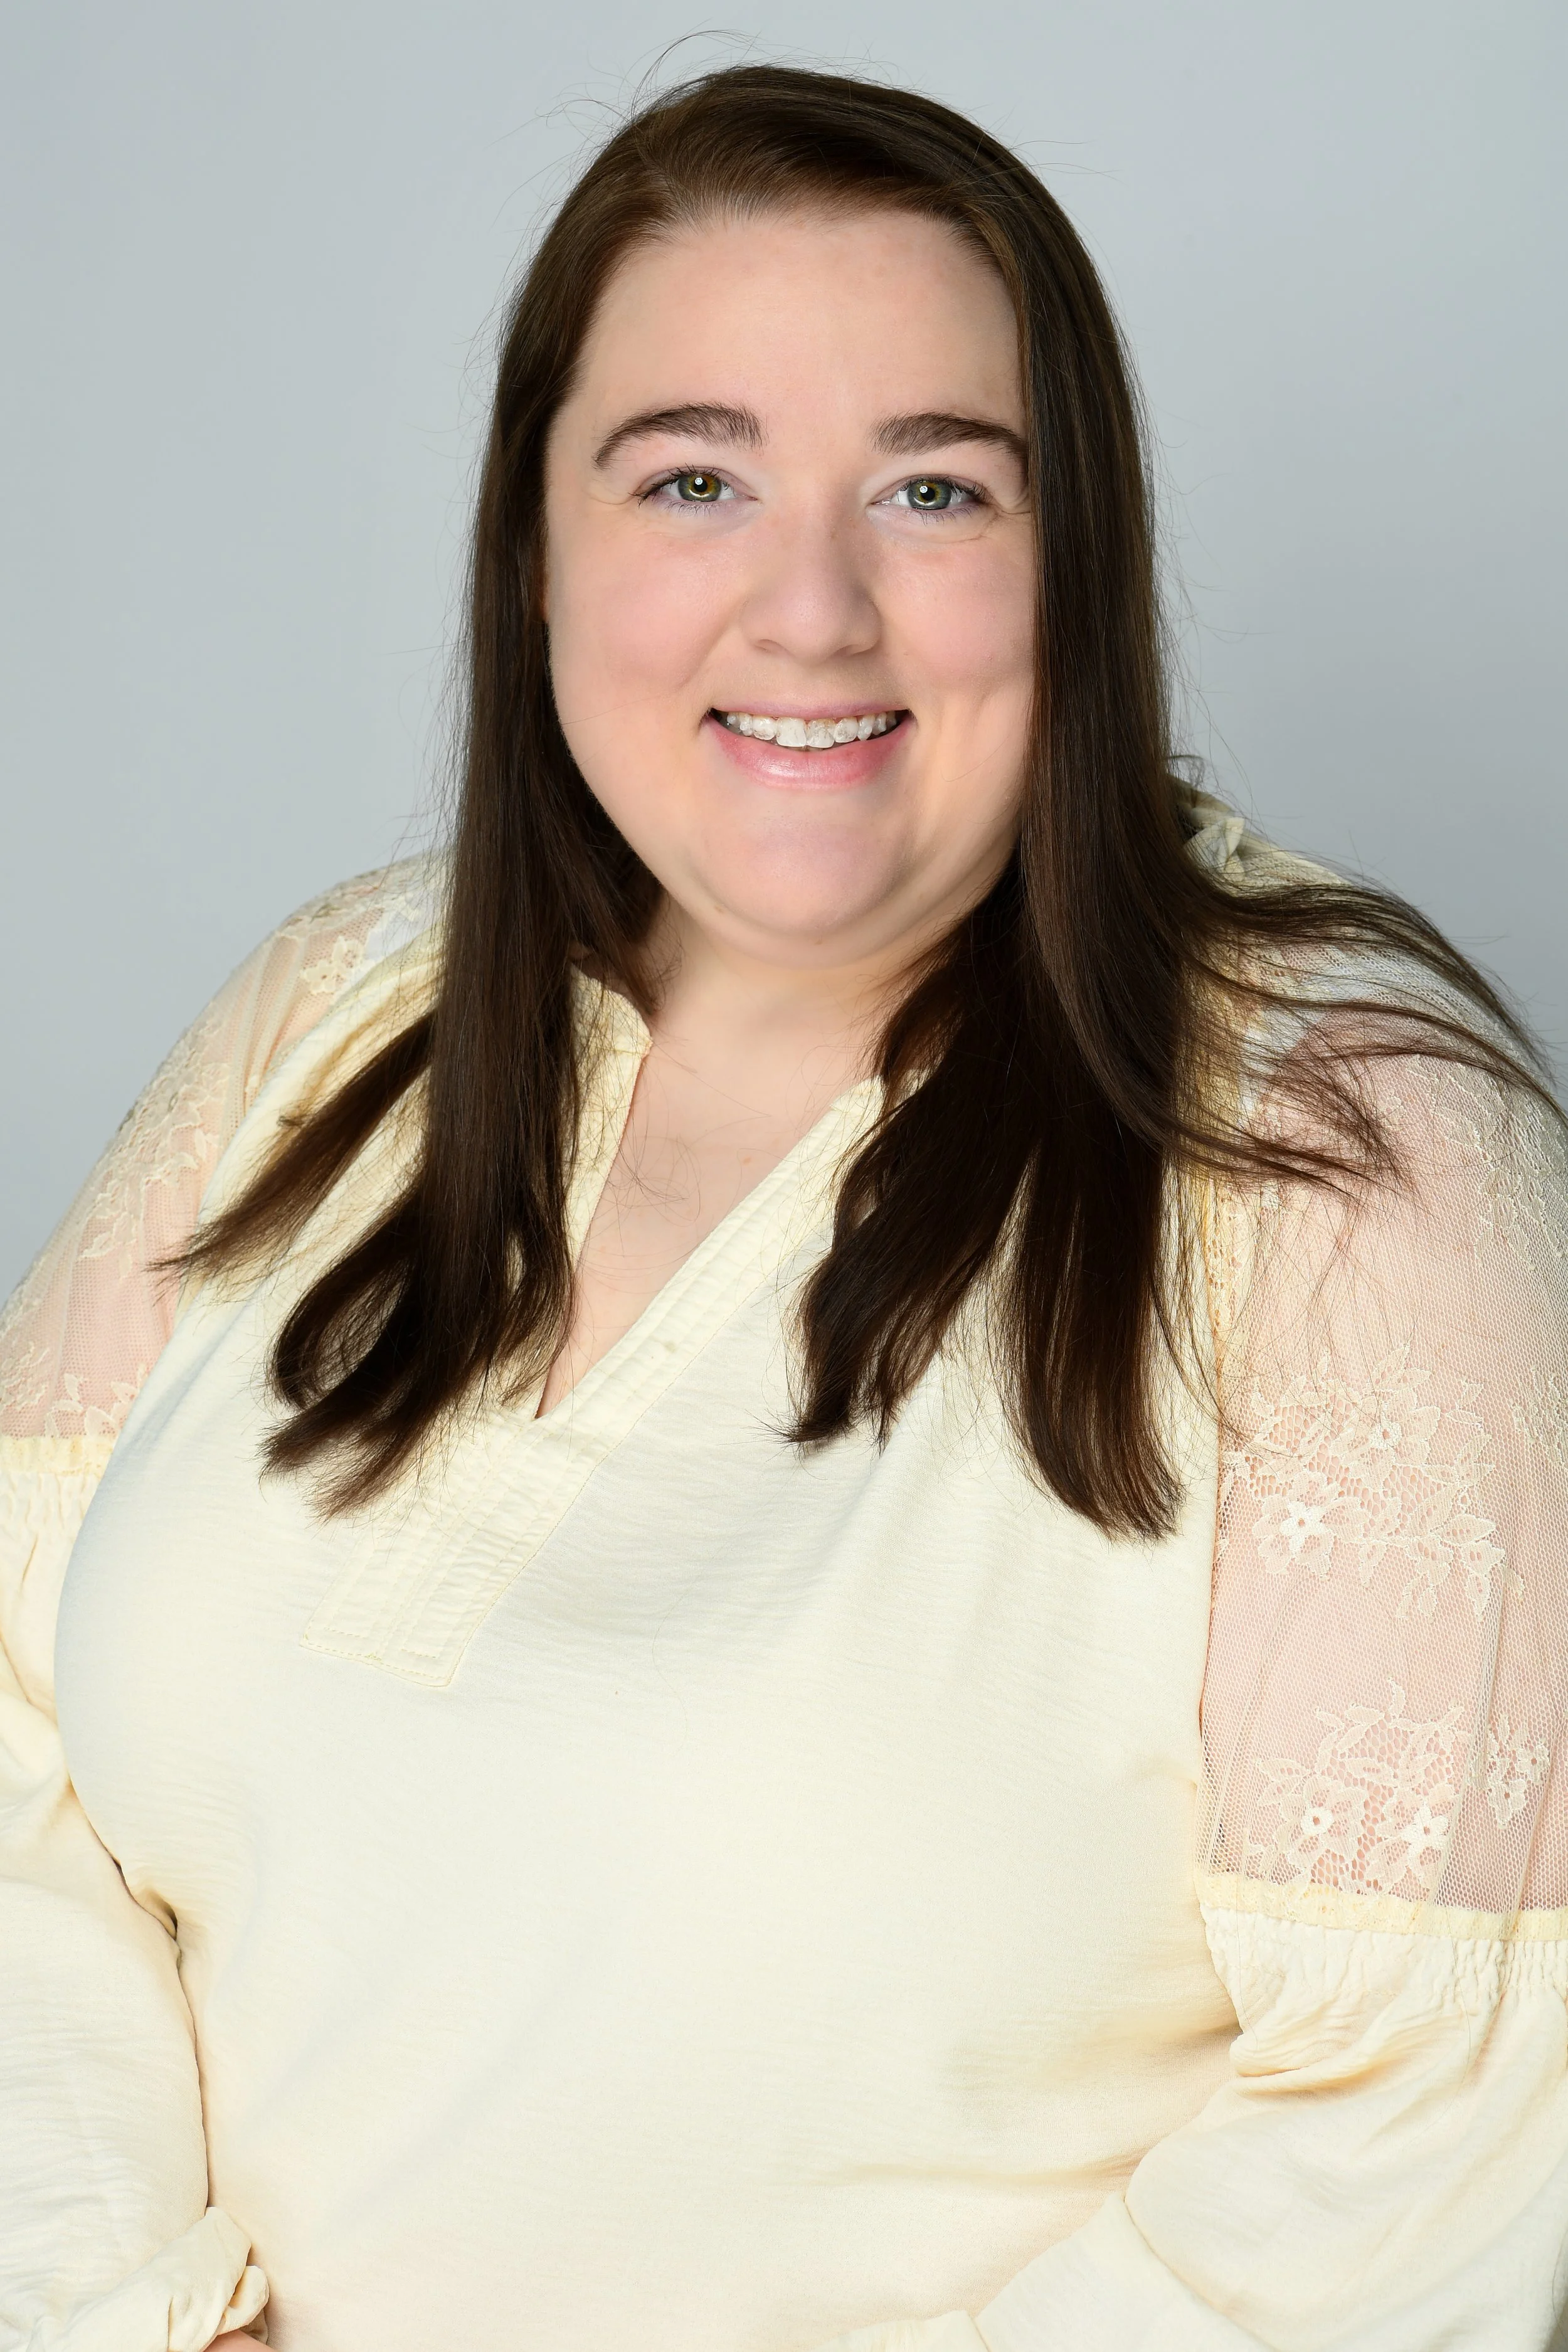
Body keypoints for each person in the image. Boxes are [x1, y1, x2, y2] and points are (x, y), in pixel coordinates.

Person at [2, 61, 1564, 2352]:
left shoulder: (1356, 1158)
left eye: (933, 486)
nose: (811, 608)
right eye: (695, 478)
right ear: (536, 546)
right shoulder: (341, 1011)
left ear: (1084, 563)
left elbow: (1432, 2120)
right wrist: (122, 2306)